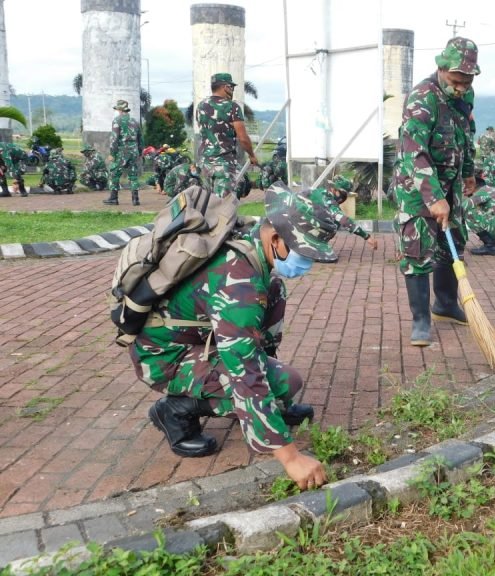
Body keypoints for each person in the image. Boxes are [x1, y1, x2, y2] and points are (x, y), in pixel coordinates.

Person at [130, 186, 338, 490]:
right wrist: (291, 458)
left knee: (281, 369)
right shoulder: (238, 285)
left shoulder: (250, 249)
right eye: (304, 252)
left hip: (196, 341)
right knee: (278, 382)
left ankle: (266, 407)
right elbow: (246, 374)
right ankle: (175, 411)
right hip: (164, 358)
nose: (308, 263)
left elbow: (255, 343)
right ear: (276, 239)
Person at [391, 36, 480, 346]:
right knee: (418, 250)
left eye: (467, 81)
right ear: (442, 68)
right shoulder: (422, 98)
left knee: (453, 241)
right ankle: (421, 321)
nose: (461, 86)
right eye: (457, 80)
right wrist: (433, 197)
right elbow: (413, 152)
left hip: (451, 185)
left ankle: (445, 304)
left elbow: (466, 136)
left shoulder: (465, 97)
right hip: (418, 188)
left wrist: (468, 172)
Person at [196, 72, 257, 197]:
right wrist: (251, 155)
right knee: (224, 206)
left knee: (209, 203)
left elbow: (204, 130)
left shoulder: (200, 106)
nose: (232, 90)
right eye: (231, 87)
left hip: (205, 163)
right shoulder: (232, 107)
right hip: (223, 164)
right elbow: (243, 137)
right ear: (225, 87)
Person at [299, 175, 378, 250]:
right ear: (334, 190)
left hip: (294, 218)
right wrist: (367, 237)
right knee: (333, 224)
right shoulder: (327, 199)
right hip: (296, 223)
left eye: (345, 195)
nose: (343, 197)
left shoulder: (320, 192)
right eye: (342, 194)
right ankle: (313, 246)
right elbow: (344, 220)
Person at [106, 99, 143, 206]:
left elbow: (114, 139)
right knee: (133, 175)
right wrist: (140, 152)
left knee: (114, 173)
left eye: (117, 109)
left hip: (122, 151)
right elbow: (141, 139)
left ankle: (113, 198)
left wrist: (112, 154)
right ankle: (135, 199)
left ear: (120, 110)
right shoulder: (135, 121)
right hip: (134, 151)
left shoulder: (117, 120)